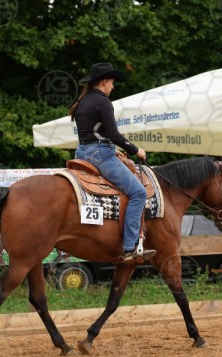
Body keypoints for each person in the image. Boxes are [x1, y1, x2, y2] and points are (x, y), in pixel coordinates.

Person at [68, 62, 156, 262]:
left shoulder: (83, 101)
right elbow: (114, 135)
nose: (113, 86)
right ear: (104, 81)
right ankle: (130, 247)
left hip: (81, 152)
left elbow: (92, 135)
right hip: (100, 155)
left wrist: (111, 147)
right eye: (112, 82)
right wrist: (135, 150)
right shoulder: (103, 102)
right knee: (138, 193)